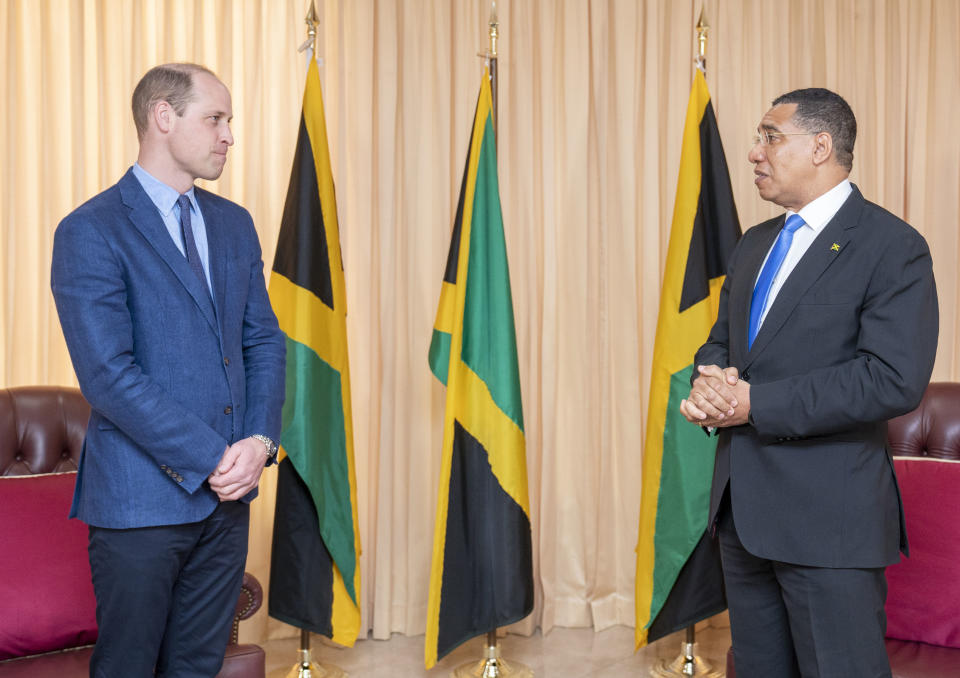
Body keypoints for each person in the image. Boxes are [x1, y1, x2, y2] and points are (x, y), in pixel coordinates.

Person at [679, 88, 938, 677]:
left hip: (829, 525)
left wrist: (753, 404)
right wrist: (711, 380)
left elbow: (891, 379)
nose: (754, 152)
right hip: (743, 515)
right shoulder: (754, 244)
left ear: (822, 146)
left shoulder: (892, 247)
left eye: (771, 136)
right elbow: (723, 342)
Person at [51, 63, 285, 677]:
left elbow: (263, 342)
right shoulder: (90, 231)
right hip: (139, 503)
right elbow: (108, 376)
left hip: (229, 502)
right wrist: (214, 456)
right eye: (215, 119)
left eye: (228, 121)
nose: (229, 135)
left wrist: (259, 443)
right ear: (163, 116)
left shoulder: (234, 224)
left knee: (196, 668)